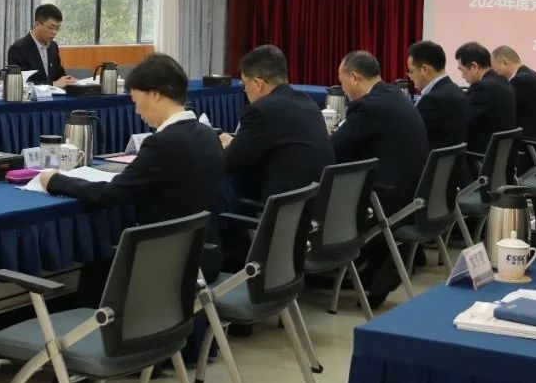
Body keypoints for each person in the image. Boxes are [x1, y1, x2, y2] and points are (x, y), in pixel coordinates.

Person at [38, 53, 224, 281]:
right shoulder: (209, 134)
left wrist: (56, 180)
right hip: (206, 257)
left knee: (94, 270)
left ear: (155, 95)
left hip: (171, 268)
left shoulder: (162, 143)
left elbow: (110, 194)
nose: (136, 111)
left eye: (136, 101)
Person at [332, 51, 428, 307]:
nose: (343, 88)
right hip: (410, 193)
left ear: (354, 77)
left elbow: (335, 149)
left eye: (342, 81)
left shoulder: (368, 106)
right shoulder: (393, 95)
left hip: (386, 198)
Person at [221, 44, 334, 204]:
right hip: (316, 205)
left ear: (258, 83)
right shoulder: (308, 102)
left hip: (283, 209)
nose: (245, 91)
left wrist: (226, 145)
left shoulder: (261, 110)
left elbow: (229, 162)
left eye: (244, 86)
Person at [455, 41, 516, 154]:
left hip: (480, 156)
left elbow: (461, 120)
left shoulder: (483, 87)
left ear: (474, 66)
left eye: (462, 70)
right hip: (498, 155)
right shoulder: (501, 81)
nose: (462, 76)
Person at [407, 40, 468, 149]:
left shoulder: (432, 100)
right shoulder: (456, 90)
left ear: (424, 69)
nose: (410, 78)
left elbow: (410, 135)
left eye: (411, 71)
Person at [491, 45, 536, 141]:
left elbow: (505, 111)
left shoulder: (521, 81)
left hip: (532, 141)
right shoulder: (529, 75)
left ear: (504, 63)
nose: (493, 74)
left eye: (494, 69)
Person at [7, 3, 76, 87]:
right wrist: (52, 84)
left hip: (56, 94)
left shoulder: (53, 46)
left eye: (57, 28)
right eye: (51, 28)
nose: (54, 32)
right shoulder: (18, 49)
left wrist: (69, 81)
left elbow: (59, 75)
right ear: (37, 25)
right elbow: (19, 83)